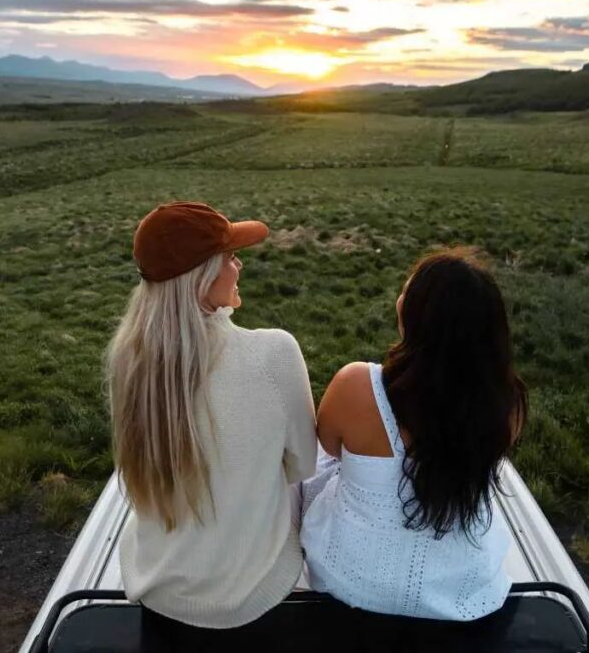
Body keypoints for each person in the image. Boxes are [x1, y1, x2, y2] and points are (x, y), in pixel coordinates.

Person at [106, 201, 317, 632]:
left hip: (156, 587)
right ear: (201, 279)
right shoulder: (274, 353)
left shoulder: (128, 360)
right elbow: (303, 465)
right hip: (255, 593)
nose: (238, 266)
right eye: (229, 258)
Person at [301, 246, 527, 621]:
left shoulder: (356, 385)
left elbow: (327, 447)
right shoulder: (507, 406)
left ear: (417, 317)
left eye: (408, 293)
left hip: (350, 579)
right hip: (462, 590)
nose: (399, 298)